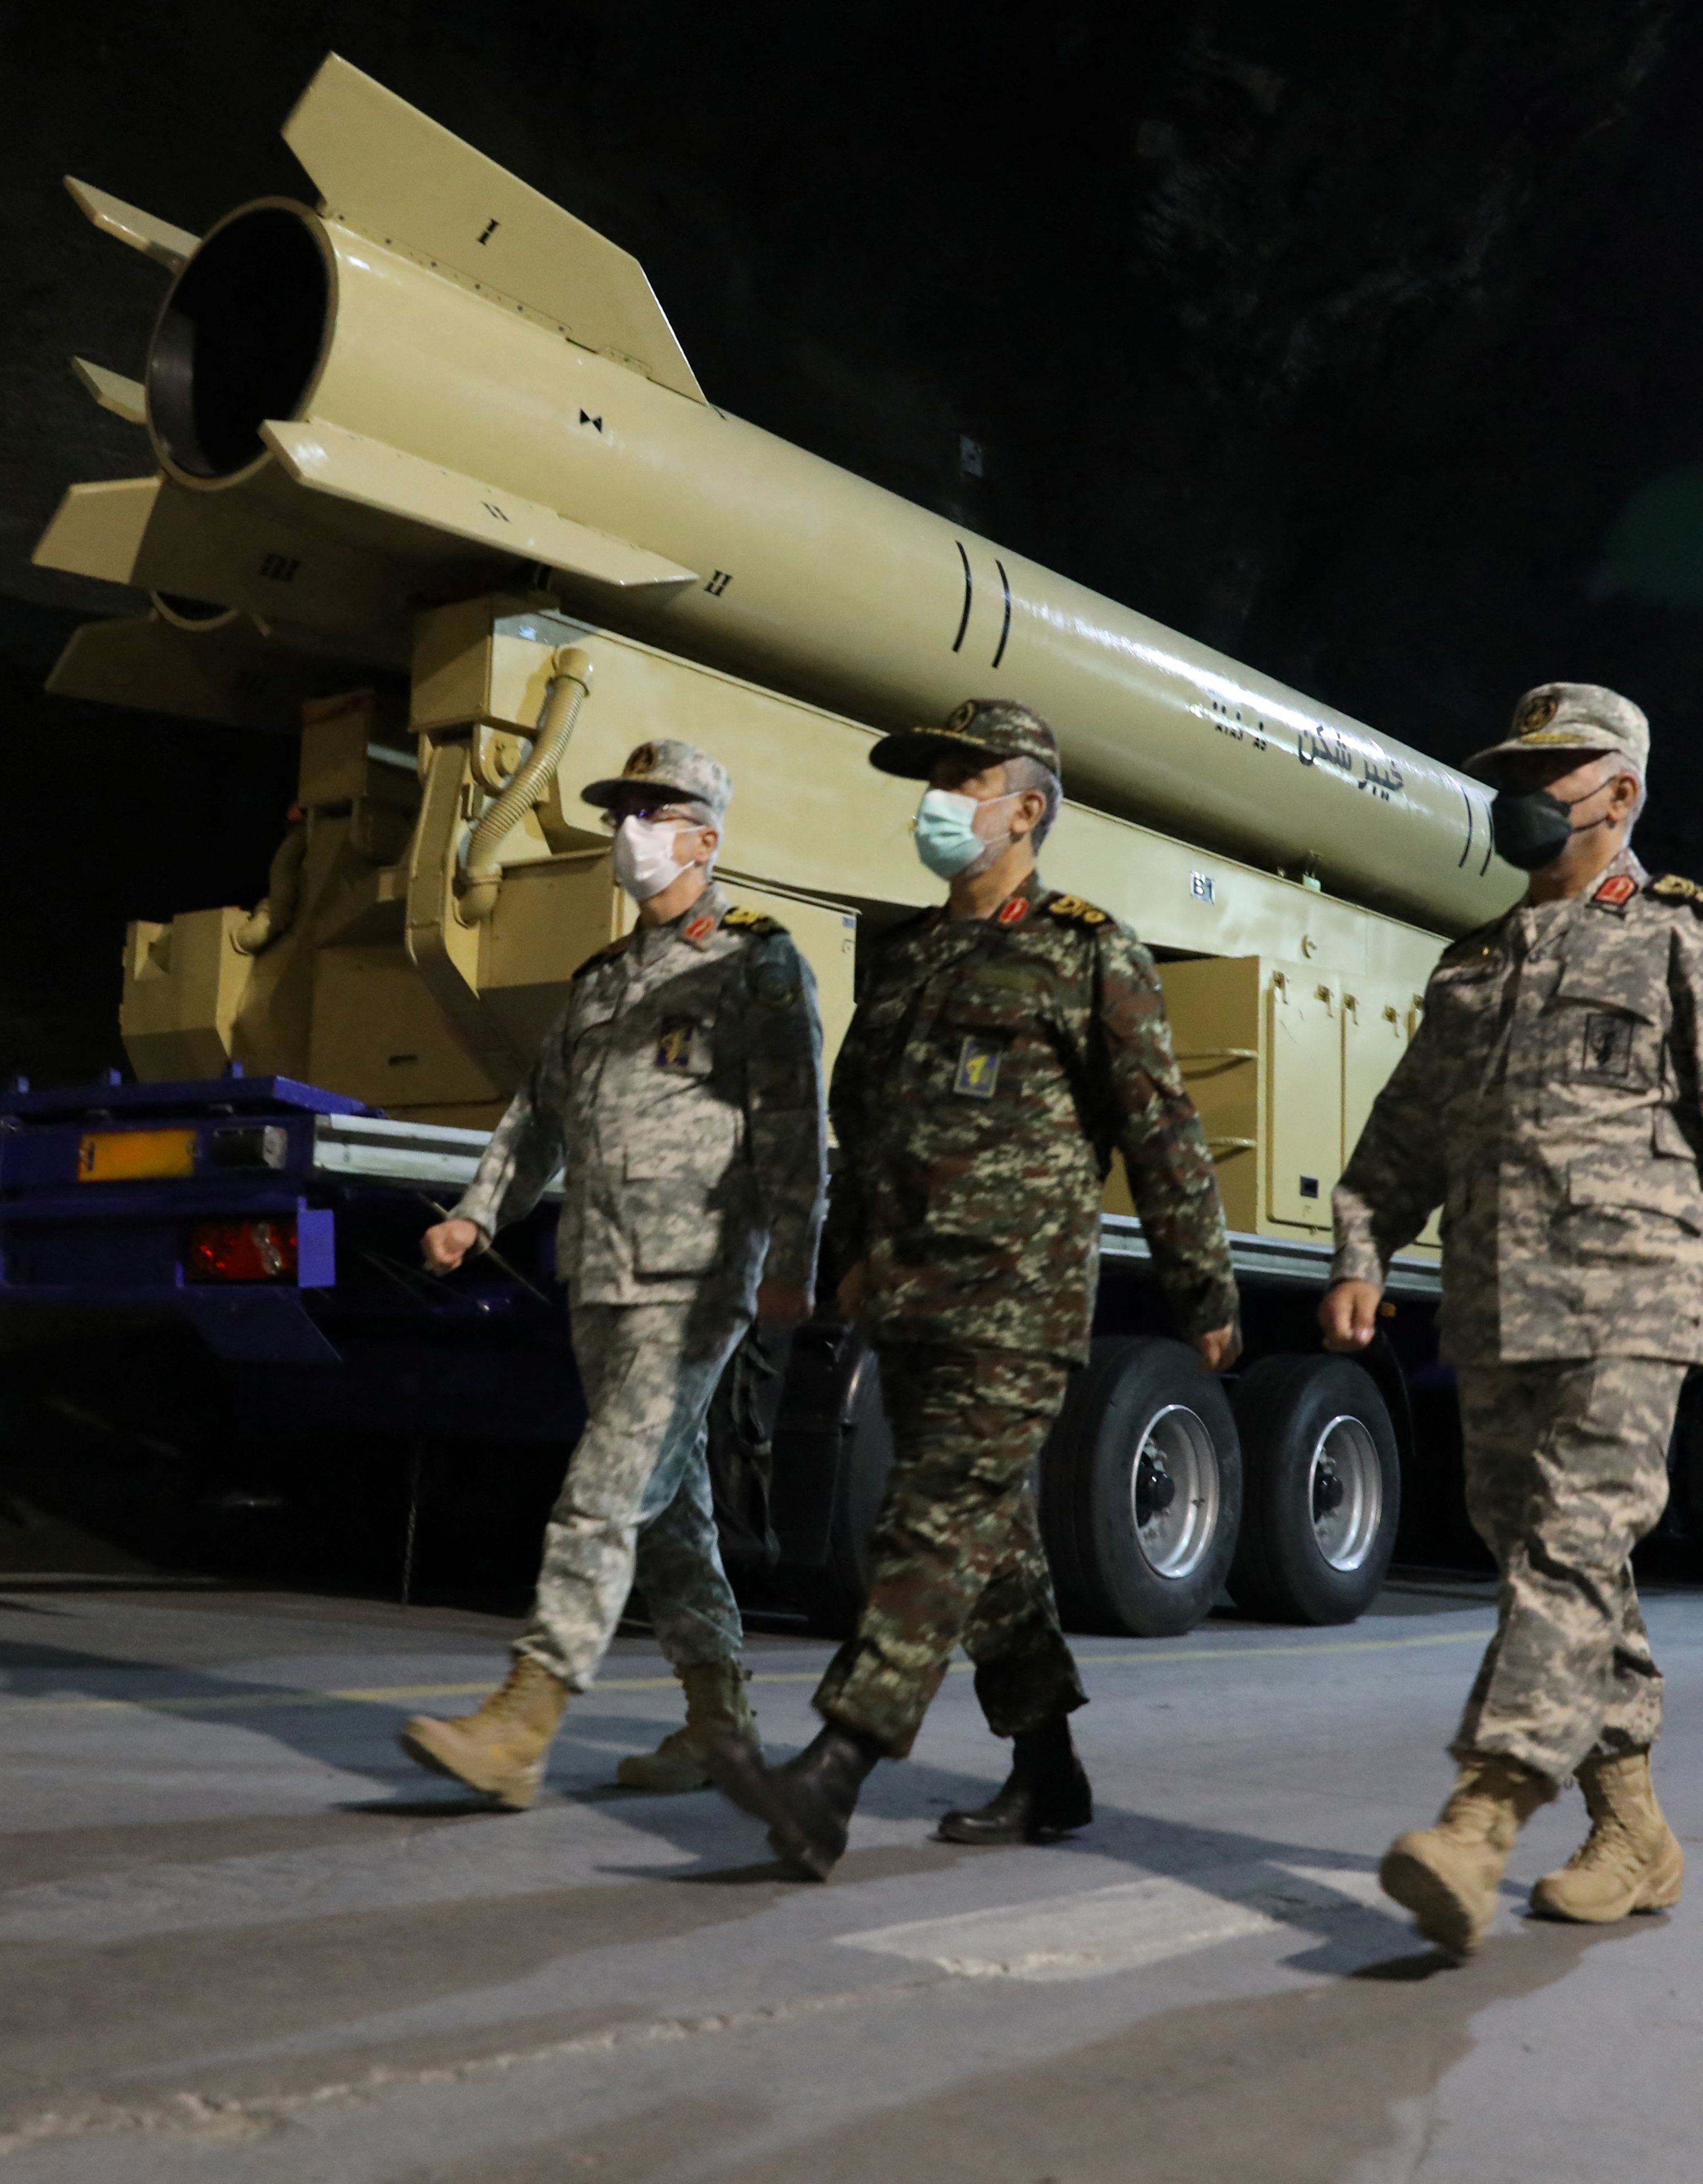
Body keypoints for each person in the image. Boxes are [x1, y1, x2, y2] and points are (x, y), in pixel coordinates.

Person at [1322, 682, 1703, 1955]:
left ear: (1620, 793)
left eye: (1547, 772)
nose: (1520, 794)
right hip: (1494, 1311)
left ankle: (1482, 1817)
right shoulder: (1473, 963)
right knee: (1556, 1565)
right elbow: (1404, 1134)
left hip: (1629, 1303)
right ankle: (1633, 1832)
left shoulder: (1684, 937)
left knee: (1566, 1549)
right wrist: (1360, 1248)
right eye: (1511, 770)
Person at [709, 698, 1238, 1879]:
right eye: (933, 778)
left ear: (1027, 808)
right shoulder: (907, 959)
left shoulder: (1090, 951)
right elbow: (865, 1119)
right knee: (989, 1539)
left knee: (935, 1515)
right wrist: (848, 1255)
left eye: (964, 780)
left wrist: (1203, 1289)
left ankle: (834, 1769)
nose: (938, 800)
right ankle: (1048, 1769)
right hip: (907, 1297)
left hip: (1017, 1303)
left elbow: (1160, 1129)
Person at [401, 740, 826, 1808]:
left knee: (601, 1491)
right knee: (668, 1511)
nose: (629, 829)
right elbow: (537, 1116)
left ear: (704, 838)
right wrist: (475, 1213)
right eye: (621, 810)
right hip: (601, 1272)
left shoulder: (757, 962)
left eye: (653, 810)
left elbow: (793, 1127)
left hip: (696, 1276)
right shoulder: (600, 981)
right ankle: (718, 1726)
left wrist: (793, 1260)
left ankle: (524, 1719)